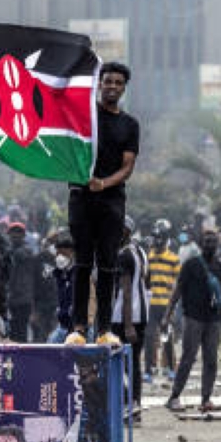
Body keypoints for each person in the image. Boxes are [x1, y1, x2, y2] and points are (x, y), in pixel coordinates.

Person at [64, 62, 139, 347]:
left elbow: (128, 166)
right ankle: (79, 328)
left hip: (111, 201)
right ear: (99, 84)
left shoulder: (130, 124)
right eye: (107, 81)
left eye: (118, 83)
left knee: (108, 265)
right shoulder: (86, 115)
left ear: (124, 88)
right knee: (82, 263)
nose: (112, 87)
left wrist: (104, 184)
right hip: (81, 198)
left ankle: (104, 329)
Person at [162, 229, 221, 413]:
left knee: (211, 361)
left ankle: (206, 399)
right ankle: (174, 397)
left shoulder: (219, 266)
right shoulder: (190, 265)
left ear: (217, 245)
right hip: (193, 318)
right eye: (207, 241)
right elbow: (178, 290)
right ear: (201, 244)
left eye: (213, 241)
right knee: (188, 358)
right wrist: (167, 315)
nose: (210, 244)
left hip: (213, 319)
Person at [112, 216, 149, 410]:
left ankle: (129, 404)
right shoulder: (140, 252)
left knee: (122, 364)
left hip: (124, 317)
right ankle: (135, 404)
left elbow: (126, 291)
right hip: (141, 314)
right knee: (133, 363)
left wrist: (127, 325)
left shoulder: (124, 256)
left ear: (124, 231)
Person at [143, 219, 179, 381]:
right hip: (150, 305)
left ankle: (171, 369)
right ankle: (149, 370)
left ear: (165, 239)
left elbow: (178, 283)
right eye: (154, 238)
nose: (156, 241)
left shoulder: (173, 258)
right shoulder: (148, 257)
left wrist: (173, 305)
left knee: (168, 338)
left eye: (159, 238)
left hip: (166, 305)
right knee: (149, 337)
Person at [5, 222, 37, 342]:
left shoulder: (27, 251)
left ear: (23, 235)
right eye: (13, 233)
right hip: (11, 298)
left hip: (24, 298)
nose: (15, 235)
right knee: (12, 331)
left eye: (18, 233)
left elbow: (19, 255)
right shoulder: (9, 252)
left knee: (22, 331)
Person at [48, 236, 76, 344]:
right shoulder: (59, 274)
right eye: (58, 254)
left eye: (64, 254)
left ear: (72, 253)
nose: (61, 257)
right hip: (62, 326)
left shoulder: (79, 273)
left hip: (78, 328)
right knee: (50, 348)